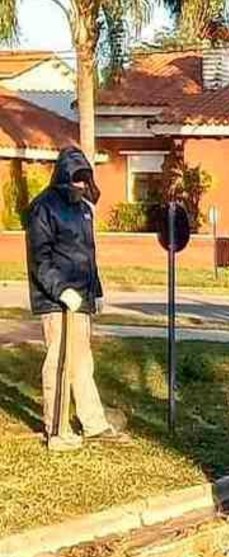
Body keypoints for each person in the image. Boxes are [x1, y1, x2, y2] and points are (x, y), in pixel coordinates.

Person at [24, 146, 123, 451]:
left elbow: (87, 256)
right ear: (65, 176)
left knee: (82, 362)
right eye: (76, 179)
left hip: (81, 299)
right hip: (58, 302)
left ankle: (93, 422)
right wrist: (60, 291)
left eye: (85, 179)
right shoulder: (44, 207)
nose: (81, 185)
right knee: (59, 361)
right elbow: (40, 259)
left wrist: (96, 292)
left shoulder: (82, 209)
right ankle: (57, 430)